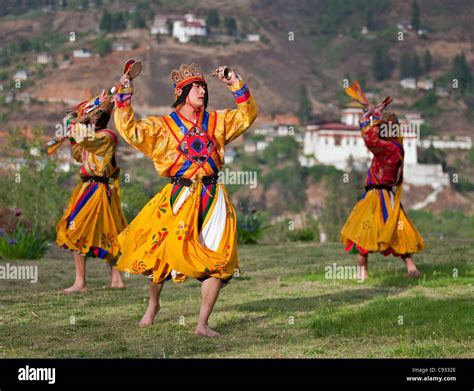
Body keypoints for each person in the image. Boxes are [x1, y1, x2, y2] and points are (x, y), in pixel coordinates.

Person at [113, 63, 258, 336]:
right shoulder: (163, 126)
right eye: (196, 87)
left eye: (204, 87)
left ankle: (202, 323)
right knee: (161, 255)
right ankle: (153, 304)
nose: (203, 91)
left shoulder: (218, 122)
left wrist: (234, 81)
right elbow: (130, 130)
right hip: (179, 194)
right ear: (182, 92)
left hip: (213, 196)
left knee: (219, 259)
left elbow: (248, 114)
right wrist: (125, 93)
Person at [340, 101, 425, 279]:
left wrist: (366, 118)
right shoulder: (398, 147)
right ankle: (411, 267)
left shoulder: (386, 148)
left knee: (361, 233)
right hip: (389, 197)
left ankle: (363, 273)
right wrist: (377, 115)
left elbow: (370, 138)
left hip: (375, 196)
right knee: (396, 232)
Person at [56, 99, 127, 293]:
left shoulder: (107, 136)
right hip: (87, 188)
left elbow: (88, 141)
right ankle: (115, 280)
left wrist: (72, 123)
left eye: (97, 114)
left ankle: (82, 283)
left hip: (97, 189)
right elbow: (79, 155)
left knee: (78, 230)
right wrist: (72, 133)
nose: (94, 117)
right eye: (92, 114)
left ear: (104, 116)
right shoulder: (91, 136)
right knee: (107, 233)